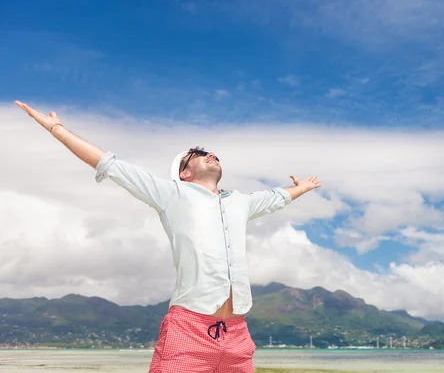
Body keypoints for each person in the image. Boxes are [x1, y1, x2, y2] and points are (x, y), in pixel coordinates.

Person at [14, 100, 321, 372]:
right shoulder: (170, 193)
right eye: (198, 154)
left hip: (238, 335)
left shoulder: (241, 202)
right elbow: (110, 164)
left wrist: (302, 188)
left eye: (211, 152)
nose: (210, 154)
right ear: (184, 173)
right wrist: (57, 130)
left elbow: (276, 197)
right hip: (188, 331)